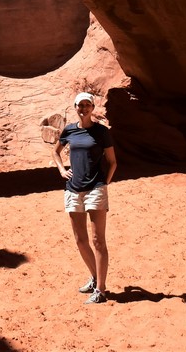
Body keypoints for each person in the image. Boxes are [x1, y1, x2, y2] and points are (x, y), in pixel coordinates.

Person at [51, 91, 117, 304]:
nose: (84, 109)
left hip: (95, 189)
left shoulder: (101, 132)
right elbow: (56, 152)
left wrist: (105, 182)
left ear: (92, 107)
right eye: (81, 105)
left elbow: (112, 161)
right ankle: (94, 277)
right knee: (80, 240)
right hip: (73, 189)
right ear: (76, 107)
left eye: (88, 105)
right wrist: (62, 170)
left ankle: (101, 289)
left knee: (98, 240)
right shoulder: (69, 130)